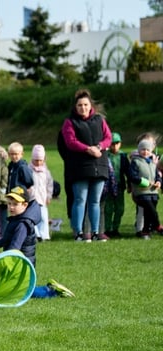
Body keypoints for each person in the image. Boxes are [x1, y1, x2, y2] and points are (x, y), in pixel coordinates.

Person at [0, 186, 75, 298]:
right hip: (15, 260)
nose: (11, 207)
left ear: (25, 205)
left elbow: (15, 247)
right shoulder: (15, 219)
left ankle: (52, 291)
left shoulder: (22, 224)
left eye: (15, 204)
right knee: (14, 289)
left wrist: (0, 256)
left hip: (22, 264)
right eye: (9, 203)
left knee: (24, 291)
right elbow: (6, 239)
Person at [58, 88, 112, 242]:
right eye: (80, 105)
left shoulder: (99, 120)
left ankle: (95, 232)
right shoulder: (69, 122)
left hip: (99, 166)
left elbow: (108, 137)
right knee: (80, 200)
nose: (83, 108)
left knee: (95, 201)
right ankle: (79, 232)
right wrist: (88, 149)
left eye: (85, 105)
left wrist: (99, 147)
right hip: (79, 168)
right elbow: (70, 142)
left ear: (90, 106)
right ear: (75, 107)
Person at [128, 138, 162, 240]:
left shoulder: (153, 163)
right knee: (151, 210)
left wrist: (158, 182)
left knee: (148, 212)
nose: (145, 152)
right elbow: (132, 176)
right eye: (143, 149)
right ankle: (158, 226)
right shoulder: (135, 162)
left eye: (148, 150)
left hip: (153, 192)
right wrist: (146, 182)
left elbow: (157, 176)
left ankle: (146, 231)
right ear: (139, 150)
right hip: (141, 193)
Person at [104, 132, 130, 237]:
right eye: (112, 143)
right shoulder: (105, 155)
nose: (114, 146)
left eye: (117, 143)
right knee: (108, 208)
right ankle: (107, 228)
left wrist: (130, 184)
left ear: (120, 144)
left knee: (120, 208)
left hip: (119, 185)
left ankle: (116, 228)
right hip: (108, 186)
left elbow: (128, 171)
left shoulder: (123, 156)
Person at [29, 145, 54, 241]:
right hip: (32, 198)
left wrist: (49, 196)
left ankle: (44, 235)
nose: (38, 163)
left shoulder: (46, 172)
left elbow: (49, 185)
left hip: (43, 198)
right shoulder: (29, 170)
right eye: (36, 160)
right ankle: (36, 234)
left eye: (40, 160)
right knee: (32, 217)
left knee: (43, 217)